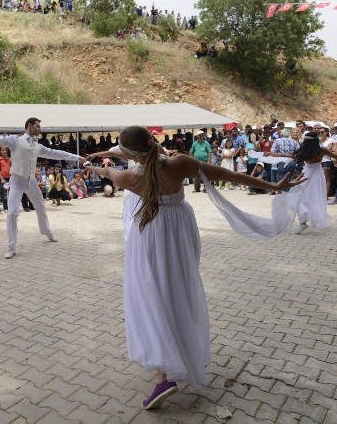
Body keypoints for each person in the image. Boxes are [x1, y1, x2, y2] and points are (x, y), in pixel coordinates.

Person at [85, 126, 303, 410]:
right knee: (176, 290)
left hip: (150, 234)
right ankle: (173, 360)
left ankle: (164, 373)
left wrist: (94, 167)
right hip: (180, 230)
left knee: (151, 295)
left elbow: (108, 173)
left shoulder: (129, 177)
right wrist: (272, 187)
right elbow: (226, 174)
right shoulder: (180, 163)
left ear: (128, 154)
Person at [0, 117, 85, 259]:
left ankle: (47, 232)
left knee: (40, 206)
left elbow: (57, 153)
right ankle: (11, 247)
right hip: (16, 181)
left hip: (31, 181)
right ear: (30, 126)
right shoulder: (15, 140)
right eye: (37, 126)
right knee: (12, 213)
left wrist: (77, 157)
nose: (40, 129)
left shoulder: (38, 146)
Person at [267, 131, 337, 233]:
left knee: (301, 196)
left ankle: (303, 222)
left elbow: (288, 156)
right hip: (318, 175)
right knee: (315, 197)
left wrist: (272, 154)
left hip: (306, 174)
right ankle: (306, 220)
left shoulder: (303, 151)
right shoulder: (322, 150)